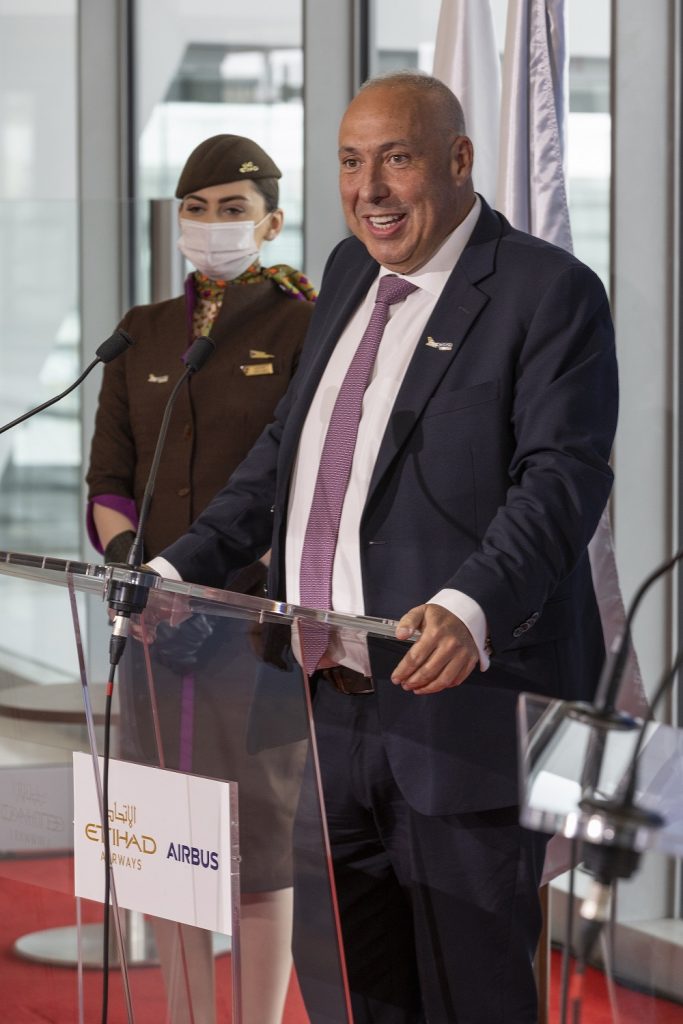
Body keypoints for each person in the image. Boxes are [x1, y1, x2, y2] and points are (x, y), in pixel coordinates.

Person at [152, 72, 618, 1023]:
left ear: (459, 160)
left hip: (461, 711)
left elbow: (560, 479)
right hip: (323, 706)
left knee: (473, 996)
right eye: (350, 162)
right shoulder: (348, 273)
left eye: (396, 159)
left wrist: (467, 604)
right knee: (350, 993)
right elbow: (287, 453)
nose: (369, 189)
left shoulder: (546, 291)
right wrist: (175, 568)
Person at [86, 134, 316, 1024]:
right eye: (196, 208)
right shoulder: (139, 332)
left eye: (232, 209)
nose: (212, 224)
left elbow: (304, 483)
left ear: (271, 222)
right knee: (162, 844)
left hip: (252, 626)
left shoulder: (305, 325)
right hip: (151, 626)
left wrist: (212, 587)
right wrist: (132, 577)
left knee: (257, 843)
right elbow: (108, 482)